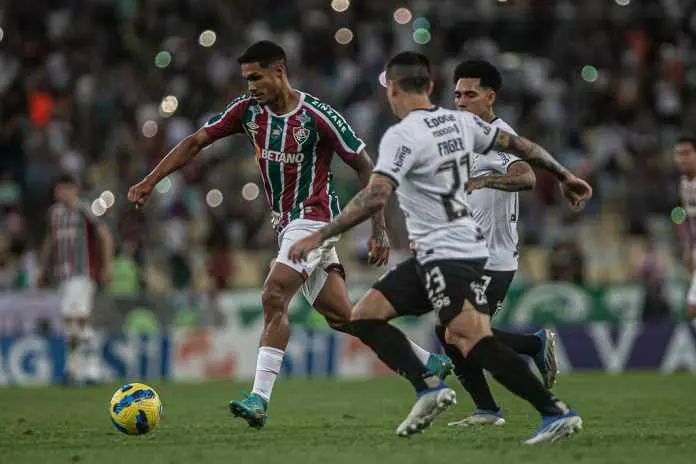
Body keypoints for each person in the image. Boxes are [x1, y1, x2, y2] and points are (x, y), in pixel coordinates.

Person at [127, 40, 450, 428]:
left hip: (316, 219)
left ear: (279, 71)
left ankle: (259, 398)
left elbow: (366, 166)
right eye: (245, 79)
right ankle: (426, 360)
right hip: (287, 224)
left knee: (274, 292)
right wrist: (150, 180)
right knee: (345, 317)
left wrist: (377, 228)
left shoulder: (318, 115)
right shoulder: (248, 112)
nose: (249, 86)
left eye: (255, 77)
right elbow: (196, 141)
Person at [289, 51, 591, 443]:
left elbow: (375, 195)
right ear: (431, 87)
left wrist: (321, 235)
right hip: (447, 252)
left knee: (468, 339)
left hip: (448, 253)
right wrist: (565, 175)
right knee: (366, 316)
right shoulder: (463, 124)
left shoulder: (403, 134)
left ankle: (552, 412)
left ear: (393, 89)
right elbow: (523, 147)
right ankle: (431, 387)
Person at [443, 59, 558, 427]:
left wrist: (485, 181)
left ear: (490, 97)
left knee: (457, 332)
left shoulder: (499, 136)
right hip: (470, 253)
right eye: (457, 94)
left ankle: (496, 407)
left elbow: (526, 177)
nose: (460, 101)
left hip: (493, 259)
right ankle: (494, 400)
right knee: (452, 332)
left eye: (469, 94)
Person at [37, 174, 114, 384]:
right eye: (57, 189)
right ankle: (74, 370)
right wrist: (42, 270)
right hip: (62, 276)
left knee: (79, 318)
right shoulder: (54, 214)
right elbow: (49, 242)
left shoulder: (85, 209)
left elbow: (104, 235)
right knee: (71, 324)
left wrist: (107, 265)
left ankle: (92, 369)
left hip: (82, 273)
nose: (59, 193)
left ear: (73, 189)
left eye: (63, 189)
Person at [674, 136, 696, 320]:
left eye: (687, 153)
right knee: (691, 310)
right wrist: (688, 250)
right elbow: (684, 215)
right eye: (679, 154)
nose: (682, 158)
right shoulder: (684, 183)